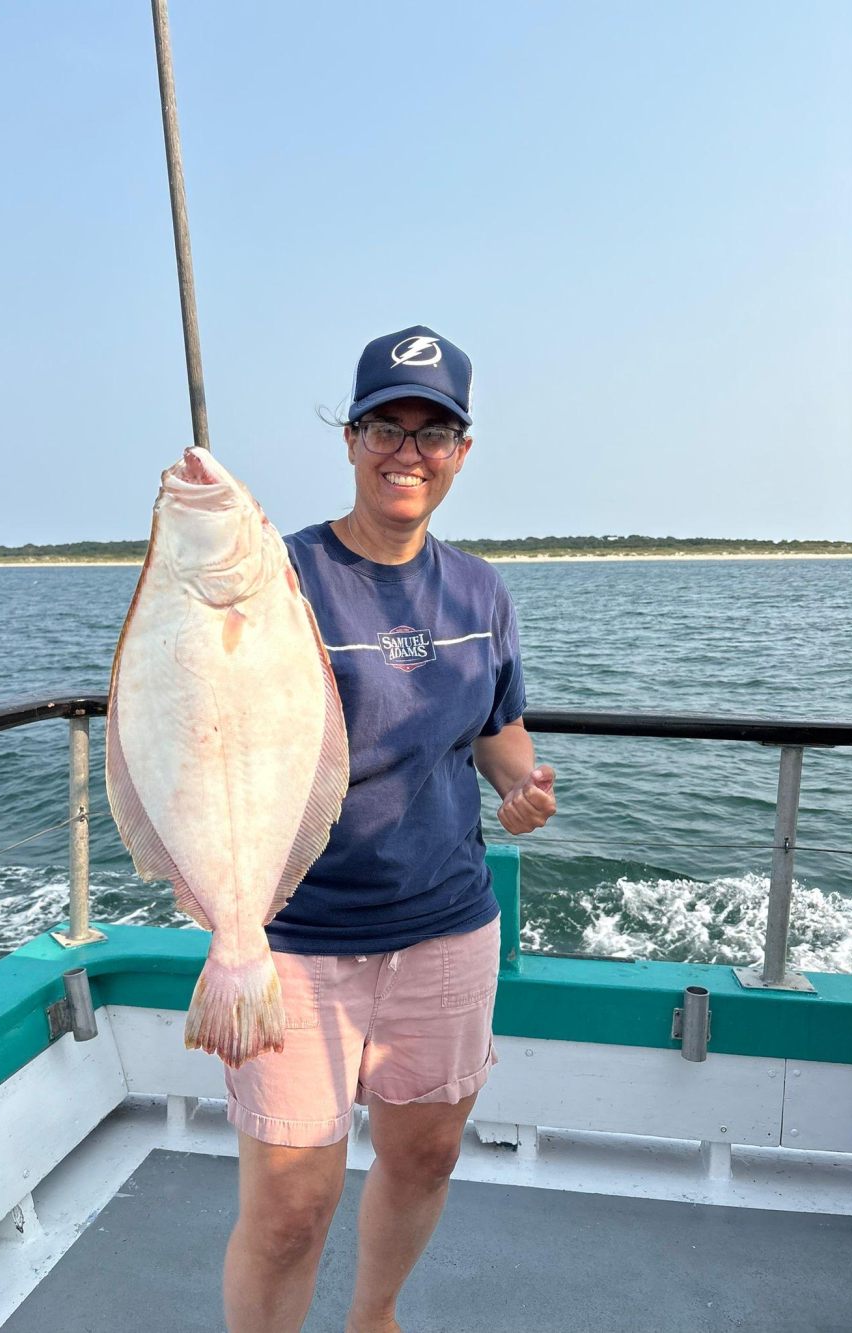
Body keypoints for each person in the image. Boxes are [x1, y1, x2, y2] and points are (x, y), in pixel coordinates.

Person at [222, 325, 557, 1332]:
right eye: (385, 427)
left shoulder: (478, 588)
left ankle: (373, 1315)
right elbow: (205, 720)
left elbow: (497, 728)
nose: (407, 452)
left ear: (461, 450)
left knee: (424, 1155)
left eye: (432, 432)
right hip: (293, 939)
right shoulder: (272, 584)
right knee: (288, 1207)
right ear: (351, 437)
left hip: (447, 925)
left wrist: (520, 785)